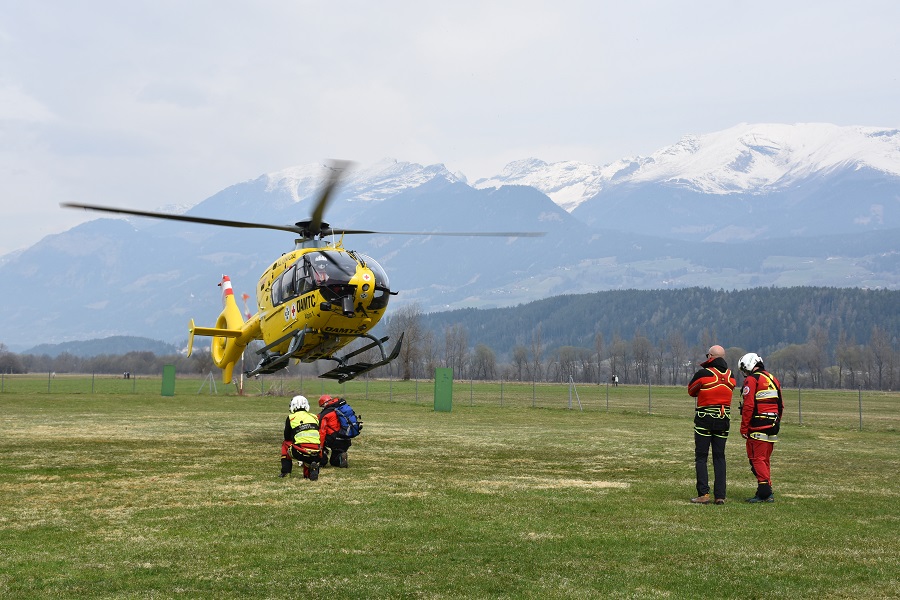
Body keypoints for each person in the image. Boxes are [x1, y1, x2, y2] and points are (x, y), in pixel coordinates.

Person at [687, 345, 736, 505]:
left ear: (710, 357)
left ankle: (704, 494)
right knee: (719, 457)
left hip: (704, 419)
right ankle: (720, 495)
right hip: (724, 419)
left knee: (701, 457)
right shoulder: (731, 376)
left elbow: (691, 390)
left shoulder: (704, 373)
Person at [738, 352, 784, 503]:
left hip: (758, 425)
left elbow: (749, 405)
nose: (745, 374)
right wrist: (776, 422)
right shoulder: (772, 378)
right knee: (765, 460)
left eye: (744, 370)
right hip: (773, 425)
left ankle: (764, 491)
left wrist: (744, 427)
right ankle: (766, 490)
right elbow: (780, 405)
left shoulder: (752, 380)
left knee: (756, 459)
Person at [279, 395, 322, 480]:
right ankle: (309, 472)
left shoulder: (291, 417)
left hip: (301, 451)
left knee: (285, 444)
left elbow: (287, 436)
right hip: (317, 452)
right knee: (309, 456)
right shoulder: (314, 417)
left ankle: (286, 472)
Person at [317, 394, 354, 468]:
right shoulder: (340, 409)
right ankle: (341, 456)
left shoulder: (325, 414)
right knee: (333, 462)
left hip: (334, 440)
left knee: (318, 437)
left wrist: (320, 447)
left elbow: (322, 432)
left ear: (324, 404)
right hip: (346, 439)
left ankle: (323, 458)